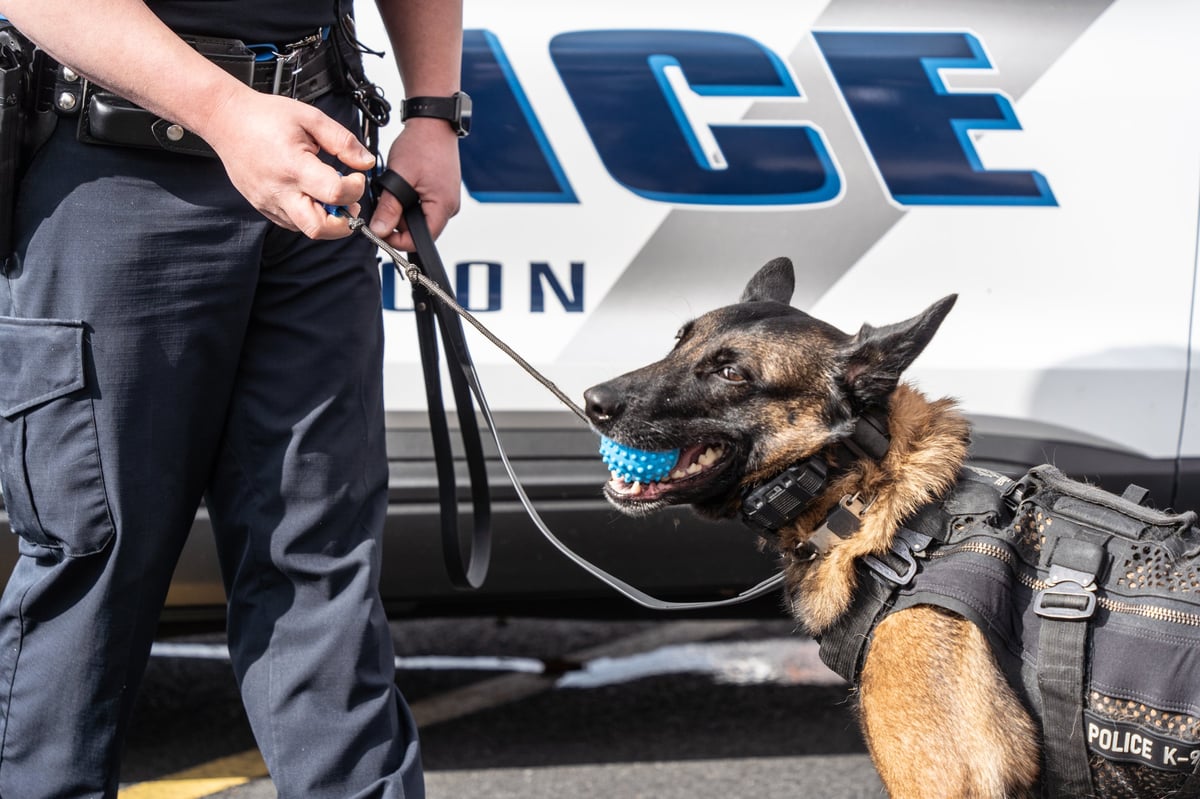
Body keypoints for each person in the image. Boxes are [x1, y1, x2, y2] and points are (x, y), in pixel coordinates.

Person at [0, 0, 465, 796]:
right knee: (90, 572)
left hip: (316, 151)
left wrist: (432, 111)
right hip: (113, 160)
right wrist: (224, 110)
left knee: (322, 568)